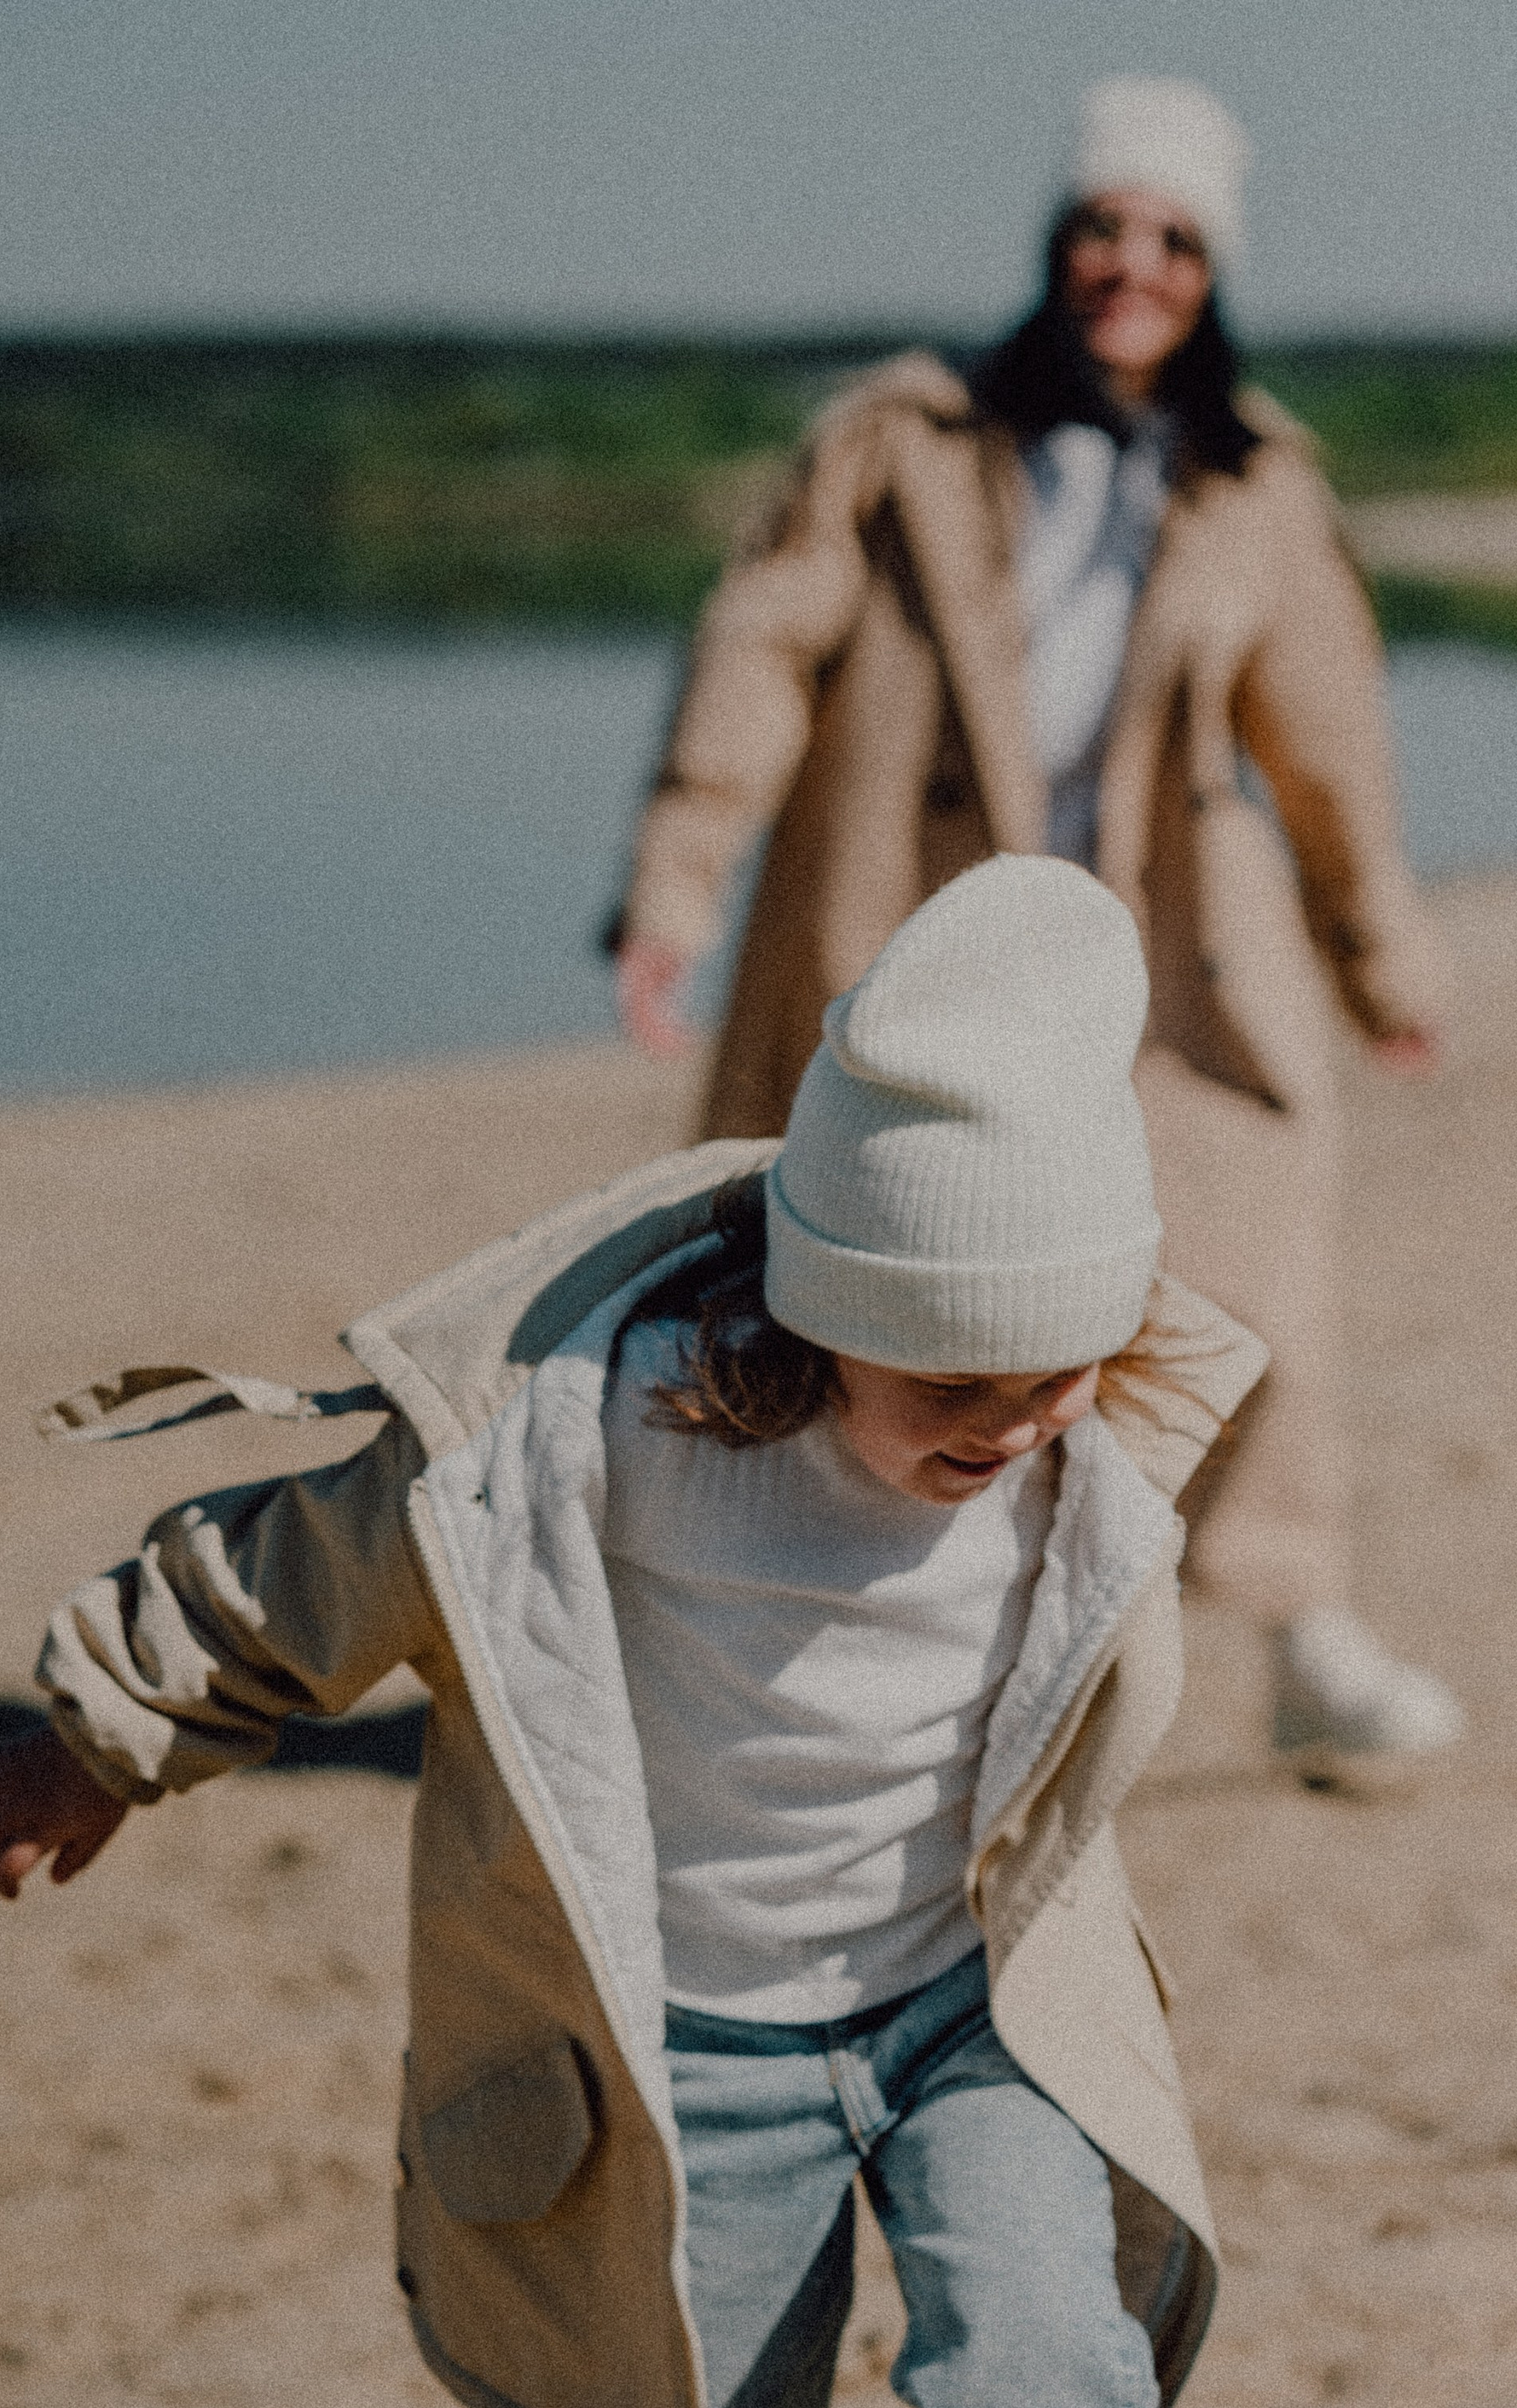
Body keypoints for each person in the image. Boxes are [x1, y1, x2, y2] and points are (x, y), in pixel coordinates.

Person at [0, 857, 1265, 2408]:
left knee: (1042, 2340)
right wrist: (107, 1730)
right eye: (955, 1381)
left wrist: (1048, 1412)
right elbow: (310, 1568)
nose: (1015, 1423)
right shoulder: (605, 1436)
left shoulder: (1071, 1445)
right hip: (696, 2028)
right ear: (827, 1316)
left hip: (974, 1997)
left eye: (1057, 1369)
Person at [609, 75, 1461, 1780]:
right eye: (1100, 228)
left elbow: (1329, 744)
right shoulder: (896, 440)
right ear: (1055, 241)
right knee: (854, 1291)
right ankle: (764, 1650)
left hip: (1162, 960)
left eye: (1170, 239)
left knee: (1249, 1265)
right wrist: (674, 884)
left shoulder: (1257, 479)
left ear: (1210, 271)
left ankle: (1298, 1625)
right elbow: (759, 649)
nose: (1129, 265)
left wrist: (1377, 959)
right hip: (903, 942)